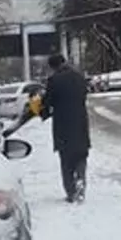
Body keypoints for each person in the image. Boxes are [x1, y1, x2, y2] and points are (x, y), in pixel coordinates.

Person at [40, 53, 90, 203]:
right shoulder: (79, 77)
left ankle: (71, 192)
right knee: (81, 155)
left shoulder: (54, 80)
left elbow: (47, 104)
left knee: (66, 159)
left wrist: (42, 110)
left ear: (53, 66)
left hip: (63, 124)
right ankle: (80, 180)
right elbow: (84, 95)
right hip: (80, 122)